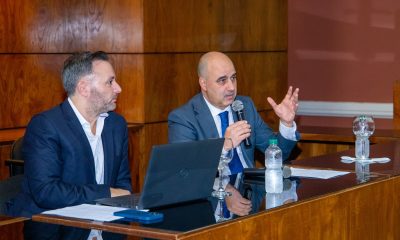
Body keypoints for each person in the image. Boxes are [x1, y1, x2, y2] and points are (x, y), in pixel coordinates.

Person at [6, 51, 132, 239]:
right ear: (83, 87)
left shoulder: (116, 125)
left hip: (108, 228)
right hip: (56, 230)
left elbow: (123, 184)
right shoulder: (46, 126)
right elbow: (46, 192)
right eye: (110, 82)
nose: (118, 88)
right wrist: (105, 192)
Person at [168, 51, 299, 218]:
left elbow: (276, 151)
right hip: (209, 202)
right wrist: (224, 146)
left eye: (233, 78)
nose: (231, 87)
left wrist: (286, 124)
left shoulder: (245, 106)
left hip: (250, 195)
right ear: (204, 83)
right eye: (222, 80)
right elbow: (184, 170)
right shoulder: (184, 118)